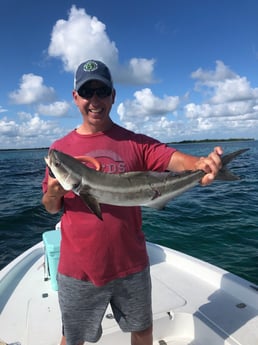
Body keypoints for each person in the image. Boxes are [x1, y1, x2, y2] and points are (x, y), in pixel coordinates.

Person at [42, 59, 223, 345]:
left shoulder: (135, 143)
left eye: (102, 91)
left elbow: (173, 159)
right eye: (87, 92)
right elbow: (51, 206)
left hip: (131, 264)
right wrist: (54, 192)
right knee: (72, 338)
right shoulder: (59, 151)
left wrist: (201, 164)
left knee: (142, 331)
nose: (95, 100)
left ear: (113, 95)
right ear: (75, 97)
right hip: (79, 268)